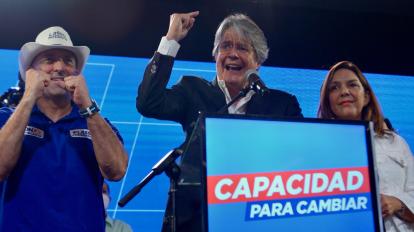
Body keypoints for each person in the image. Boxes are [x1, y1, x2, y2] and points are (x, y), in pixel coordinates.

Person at [136, 11, 303, 231]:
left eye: (242, 48)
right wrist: (170, 40)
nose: (232, 54)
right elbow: (149, 103)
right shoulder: (192, 91)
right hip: (198, 220)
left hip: (257, 217)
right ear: (216, 55)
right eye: (225, 46)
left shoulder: (282, 105)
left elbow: (299, 161)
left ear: (258, 60)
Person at [0, 26, 129, 231]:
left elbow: (117, 171)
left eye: (68, 61)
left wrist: (88, 106)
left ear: (77, 72)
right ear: (30, 72)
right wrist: (28, 97)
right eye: (49, 59)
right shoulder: (5, 118)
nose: (59, 67)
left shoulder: (97, 124)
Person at [318, 60, 414, 231]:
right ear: (328, 102)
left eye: (352, 85)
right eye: (334, 88)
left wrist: (398, 204)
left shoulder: (395, 142)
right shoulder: (318, 149)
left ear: (366, 97)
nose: (344, 92)